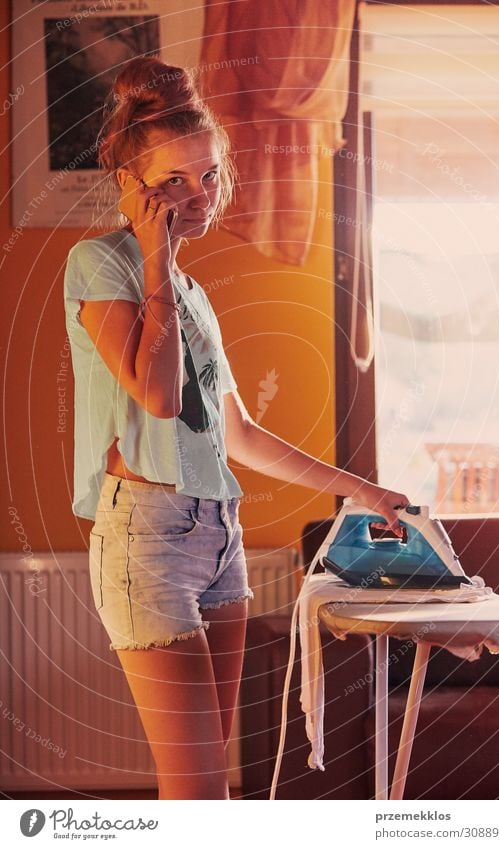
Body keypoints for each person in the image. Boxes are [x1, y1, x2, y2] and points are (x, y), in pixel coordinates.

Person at [63, 55, 411, 800]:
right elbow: (156, 397)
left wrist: (363, 489)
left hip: (219, 533)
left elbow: (238, 433)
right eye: (174, 182)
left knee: (208, 785)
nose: (199, 196)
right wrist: (156, 259)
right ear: (132, 185)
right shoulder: (100, 265)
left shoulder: (188, 290)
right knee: (195, 793)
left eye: (210, 174)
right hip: (147, 537)